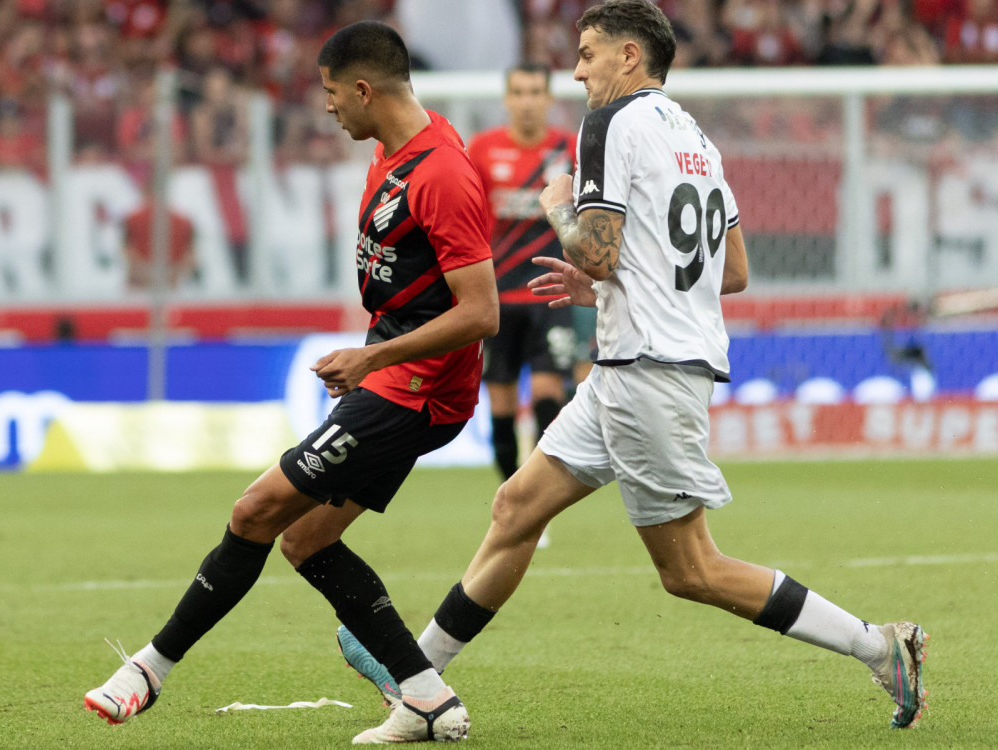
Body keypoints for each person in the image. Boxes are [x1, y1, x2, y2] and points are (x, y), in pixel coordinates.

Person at [335, 0, 928, 733]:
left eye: (588, 53)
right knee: (517, 508)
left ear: (630, 56)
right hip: (631, 364)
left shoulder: (611, 123)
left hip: (651, 368)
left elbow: (597, 248)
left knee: (691, 571)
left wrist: (559, 210)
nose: (576, 69)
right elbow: (732, 269)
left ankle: (879, 645)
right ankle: (418, 685)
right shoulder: (696, 139)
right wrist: (615, 280)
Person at [83, 20, 498, 745]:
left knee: (255, 511)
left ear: (364, 88)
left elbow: (481, 312)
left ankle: (148, 670)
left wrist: (370, 361)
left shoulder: (441, 174)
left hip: (418, 391)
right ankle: (426, 696)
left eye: (333, 93)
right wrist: (374, 357)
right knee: (305, 540)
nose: (329, 106)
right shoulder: (390, 155)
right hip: (395, 380)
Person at [468, 62, 577, 499]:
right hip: (497, 299)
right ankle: (512, 495)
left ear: (549, 99)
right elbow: (469, 222)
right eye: (520, 92)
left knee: (550, 395)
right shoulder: (483, 150)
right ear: (507, 98)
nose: (528, 101)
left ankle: (541, 493)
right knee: (501, 409)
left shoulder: (570, 152)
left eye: (536, 91)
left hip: (553, 294)